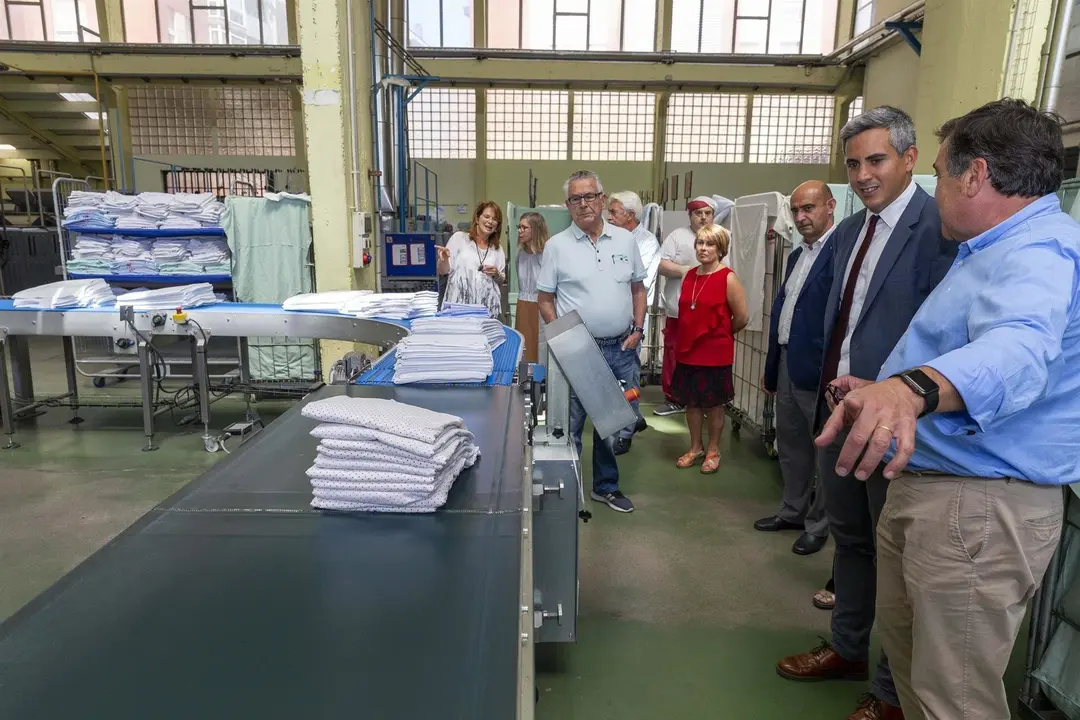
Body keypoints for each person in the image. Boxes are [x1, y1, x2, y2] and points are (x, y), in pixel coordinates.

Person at [820, 99, 1076, 720]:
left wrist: (910, 391)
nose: (934, 191)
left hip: (978, 504)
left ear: (975, 175)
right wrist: (880, 385)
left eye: (937, 172)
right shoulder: (991, 250)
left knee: (953, 700)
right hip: (945, 493)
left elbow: (1018, 350)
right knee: (919, 681)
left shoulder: (1039, 252)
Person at [775, 106, 956, 720]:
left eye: (875, 160)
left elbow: (946, 336)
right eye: (853, 164)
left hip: (898, 420)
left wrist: (892, 389)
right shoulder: (851, 233)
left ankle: (890, 690)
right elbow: (836, 322)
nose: (862, 175)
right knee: (851, 539)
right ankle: (849, 648)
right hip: (841, 412)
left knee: (895, 554)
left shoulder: (939, 231)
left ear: (909, 159)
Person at [537, 170, 646, 514]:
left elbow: (638, 288)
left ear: (602, 198)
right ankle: (567, 492)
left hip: (620, 348)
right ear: (568, 206)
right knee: (569, 426)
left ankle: (606, 488)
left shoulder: (626, 241)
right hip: (577, 350)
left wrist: (639, 328)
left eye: (589, 196)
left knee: (611, 426)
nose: (583, 204)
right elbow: (545, 299)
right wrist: (564, 340)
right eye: (575, 199)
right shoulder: (557, 246)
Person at [757, 181, 837, 556]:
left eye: (810, 208)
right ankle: (792, 510)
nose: (802, 217)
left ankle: (819, 526)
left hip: (820, 368)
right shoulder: (796, 255)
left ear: (830, 206)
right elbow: (786, 311)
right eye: (797, 211)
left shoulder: (841, 252)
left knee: (824, 449)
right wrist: (773, 365)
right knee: (791, 443)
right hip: (789, 359)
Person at [672, 224, 749, 473]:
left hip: (715, 353)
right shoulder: (690, 275)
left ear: (720, 248)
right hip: (688, 350)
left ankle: (713, 449)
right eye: (700, 243)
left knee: (714, 404)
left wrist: (722, 333)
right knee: (691, 403)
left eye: (710, 244)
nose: (703, 248)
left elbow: (741, 317)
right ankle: (695, 447)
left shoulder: (728, 277)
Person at [654, 196, 717, 417]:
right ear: (689, 215)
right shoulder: (677, 237)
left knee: (706, 354)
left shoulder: (721, 236)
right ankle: (674, 398)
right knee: (674, 352)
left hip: (709, 312)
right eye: (698, 213)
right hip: (678, 310)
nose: (703, 217)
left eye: (708, 213)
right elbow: (661, 264)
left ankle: (705, 400)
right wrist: (685, 271)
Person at [607, 190, 657, 454]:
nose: (609, 217)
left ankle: (626, 432)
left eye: (613, 212)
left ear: (631, 214)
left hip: (630, 323)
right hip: (608, 320)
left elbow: (639, 284)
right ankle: (633, 419)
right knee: (613, 380)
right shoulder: (610, 238)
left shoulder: (646, 242)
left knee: (628, 379)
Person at [436, 201, 506, 319]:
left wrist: (496, 274)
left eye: (495, 219)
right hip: (458, 309)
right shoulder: (459, 238)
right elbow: (443, 271)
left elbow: (501, 280)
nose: (490, 221)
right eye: (486, 216)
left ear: (497, 226)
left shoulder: (497, 248)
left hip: (487, 312)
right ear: (477, 219)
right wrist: (443, 260)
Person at [515, 212, 549, 364]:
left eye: (524, 227)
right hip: (523, 305)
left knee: (540, 350)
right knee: (523, 350)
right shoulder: (520, 255)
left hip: (541, 307)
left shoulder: (546, 255)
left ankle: (541, 384)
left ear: (535, 229)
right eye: (519, 227)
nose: (520, 231)